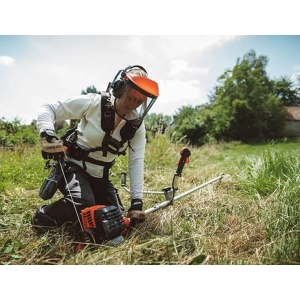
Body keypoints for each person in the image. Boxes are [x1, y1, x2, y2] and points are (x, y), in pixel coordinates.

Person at [32, 65, 159, 233]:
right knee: (83, 204)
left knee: (115, 221)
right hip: (72, 167)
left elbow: (136, 161)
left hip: (101, 177)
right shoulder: (94, 103)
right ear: (120, 89)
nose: (133, 105)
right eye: (130, 98)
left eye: (139, 101)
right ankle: (42, 218)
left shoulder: (136, 125)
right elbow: (48, 108)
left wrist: (137, 202)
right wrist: (48, 135)